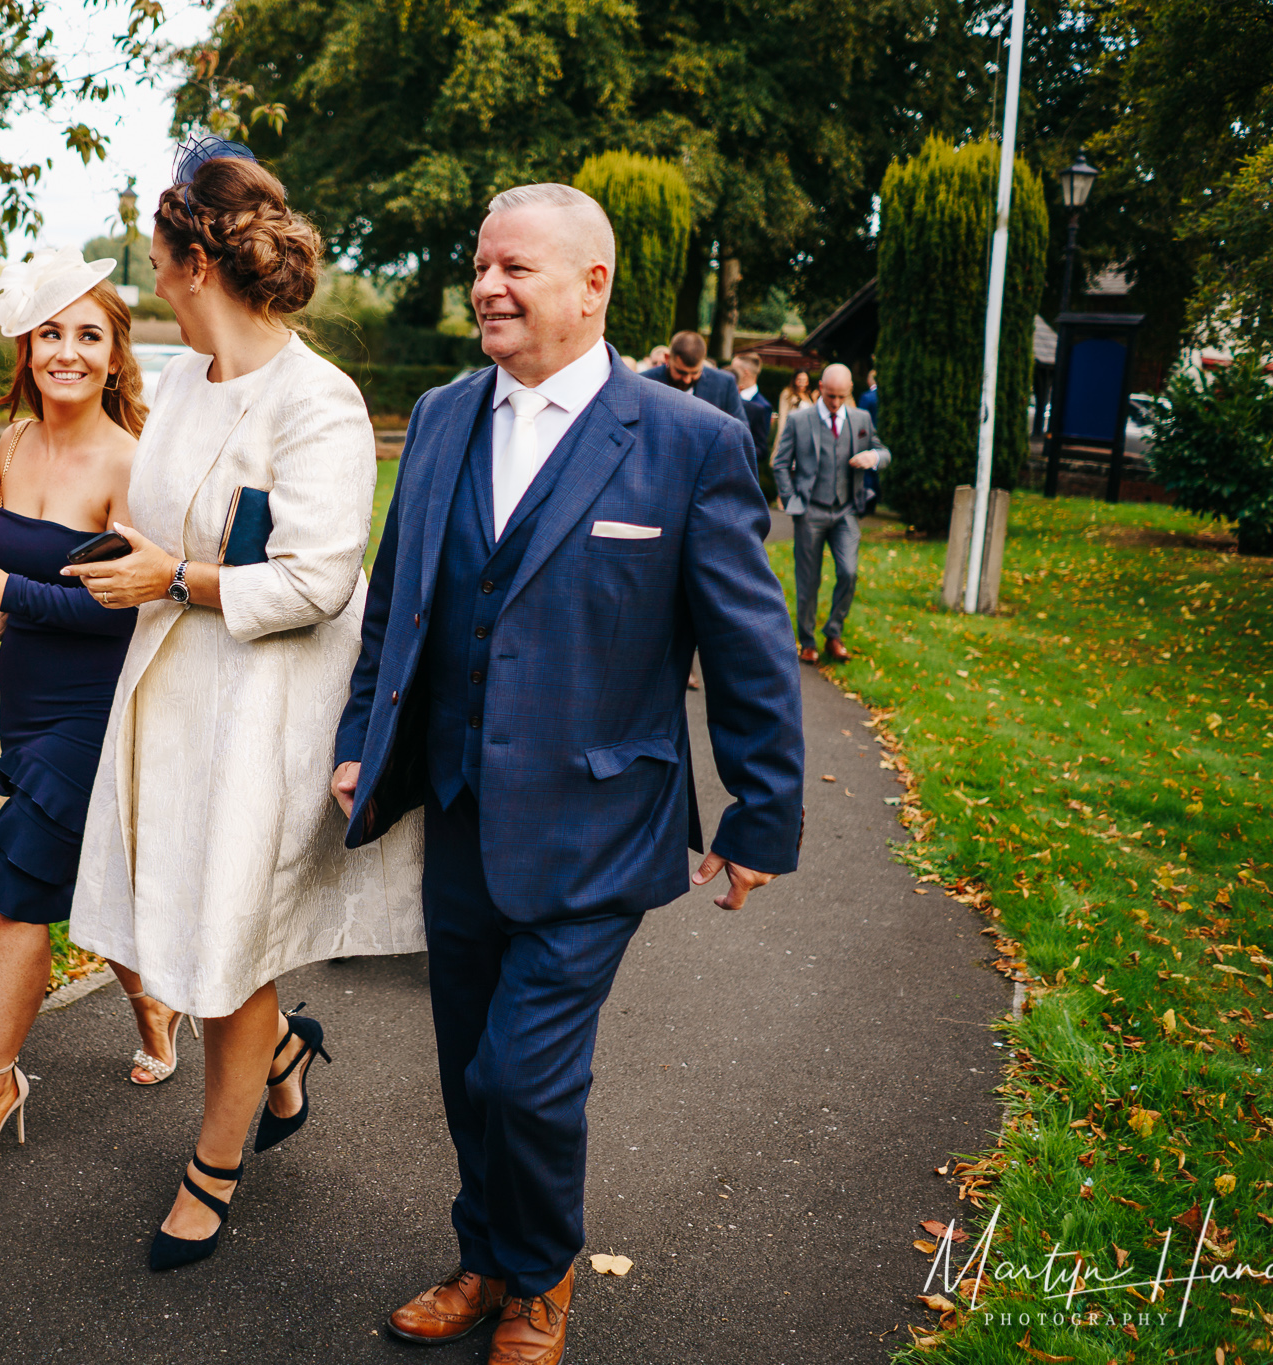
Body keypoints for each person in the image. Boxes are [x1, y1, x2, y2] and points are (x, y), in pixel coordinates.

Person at [333, 183, 804, 1365]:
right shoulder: (442, 416)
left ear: (592, 285)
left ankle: (537, 1278)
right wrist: (359, 739)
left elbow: (746, 642)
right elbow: (398, 600)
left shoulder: (689, 441)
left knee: (523, 1076)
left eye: (516, 269)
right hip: (457, 808)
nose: (488, 285)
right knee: (463, 1069)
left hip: (602, 817)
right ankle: (483, 1254)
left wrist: (760, 814)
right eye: (480, 265)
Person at [65, 137, 425, 1272]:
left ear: (190, 265)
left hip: (267, 703)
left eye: (157, 256)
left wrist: (174, 577)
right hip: (168, 689)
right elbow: (159, 512)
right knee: (180, 918)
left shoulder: (320, 402)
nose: (151, 273)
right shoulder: (178, 377)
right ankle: (279, 1061)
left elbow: (320, 578)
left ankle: (212, 1167)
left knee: (229, 934)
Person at [0, 250, 173, 1171]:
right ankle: (154, 1008)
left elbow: (128, 607)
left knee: (21, 888)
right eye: (51, 333)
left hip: (95, 711)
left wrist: (6, 591)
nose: (67, 351)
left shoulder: (129, 464)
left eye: (87, 335)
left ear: (113, 355)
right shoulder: (12, 446)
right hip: (22, 703)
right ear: (28, 348)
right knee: (102, 877)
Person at [772, 361, 889, 663]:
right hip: (810, 510)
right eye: (830, 396)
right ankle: (808, 640)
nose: (835, 403)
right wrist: (791, 498)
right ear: (821, 388)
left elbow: (884, 452)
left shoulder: (861, 418)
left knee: (849, 572)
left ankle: (833, 634)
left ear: (850, 391)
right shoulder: (800, 420)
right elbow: (780, 463)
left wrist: (872, 456)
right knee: (808, 580)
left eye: (841, 396)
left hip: (847, 510)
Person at [641, 330, 745, 421]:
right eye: (681, 372)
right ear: (667, 358)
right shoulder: (644, 382)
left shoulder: (724, 384)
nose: (687, 380)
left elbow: (741, 431)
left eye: (695, 373)